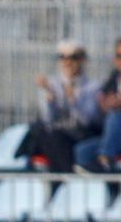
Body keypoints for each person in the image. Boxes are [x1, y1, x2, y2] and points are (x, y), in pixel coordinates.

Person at [16, 39, 102, 172]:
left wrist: (73, 100)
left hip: (79, 135)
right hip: (55, 136)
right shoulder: (52, 84)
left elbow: (87, 120)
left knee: (45, 137)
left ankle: (62, 180)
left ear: (82, 60)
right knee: (44, 133)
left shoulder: (92, 87)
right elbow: (48, 118)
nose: (67, 62)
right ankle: (65, 178)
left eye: (73, 57)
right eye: (62, 57)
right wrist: (51, 100)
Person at [74, 37, 121, 173]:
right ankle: (109, 185)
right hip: (114, 135)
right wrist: (107, 103)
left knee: (115, 116)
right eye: (118, 56)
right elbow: (102, 100)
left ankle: (105, 158)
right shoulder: (114, 77)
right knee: (81, 151)